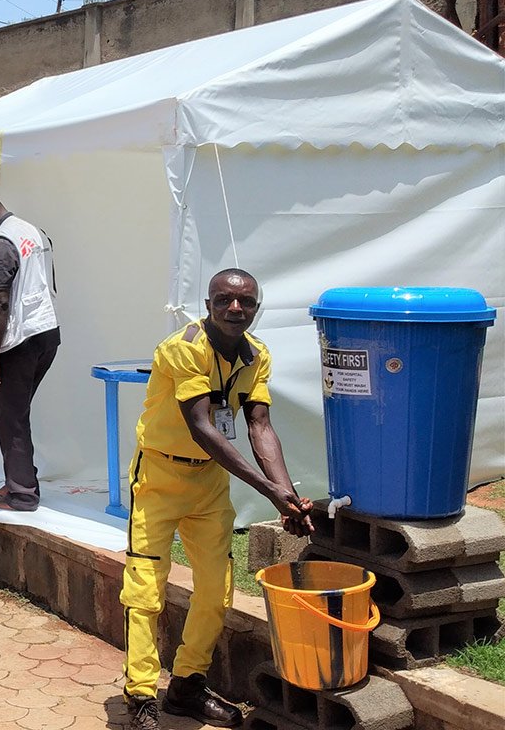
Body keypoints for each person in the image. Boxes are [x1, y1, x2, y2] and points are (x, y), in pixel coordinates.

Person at [121, 268, 314, 730]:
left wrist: (288, 497)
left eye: (245, 302)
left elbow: (260, 426)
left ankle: (186, 687)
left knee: (215, 589)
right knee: (146, 588)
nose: (235, 309)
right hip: (160, 477)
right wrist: (267, 490)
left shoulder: (256, 355)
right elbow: (203, 427)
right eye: (224, 300)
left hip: (209, 483)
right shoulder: (183, 347)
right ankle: (141, 694)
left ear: (256, 308)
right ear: (207, 304)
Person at [0, 191, 61, 512]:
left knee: (11, 419)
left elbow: (0, 301)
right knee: (16, 413)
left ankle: (22, 495)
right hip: (45, 332)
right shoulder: (28, 229)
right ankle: (20, 478)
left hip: (19, 342)